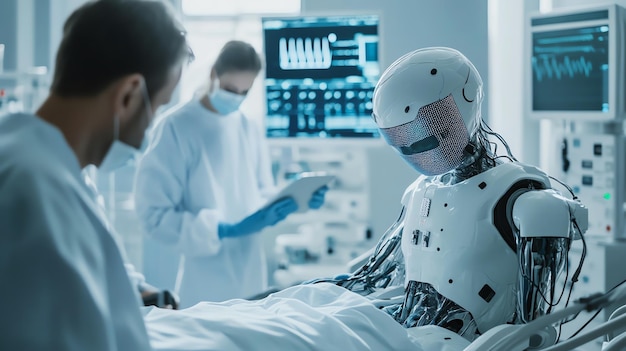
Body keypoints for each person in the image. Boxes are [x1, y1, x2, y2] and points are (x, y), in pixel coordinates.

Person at [0, 0, 192, 349]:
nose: (149, 129)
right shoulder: (37, 192)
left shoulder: (39, 162)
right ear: (129, 95)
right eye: (159, 107)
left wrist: (135, 291)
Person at [134, 40, 328, 307]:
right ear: (213, 74)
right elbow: (154, 216)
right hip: (203, 282)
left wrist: (294, 201)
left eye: (244, 92)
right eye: (229, 89)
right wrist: (222, 230)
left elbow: (260, 192)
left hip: (251, 275)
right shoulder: (176, 127)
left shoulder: (247, 126)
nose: (235, 97)